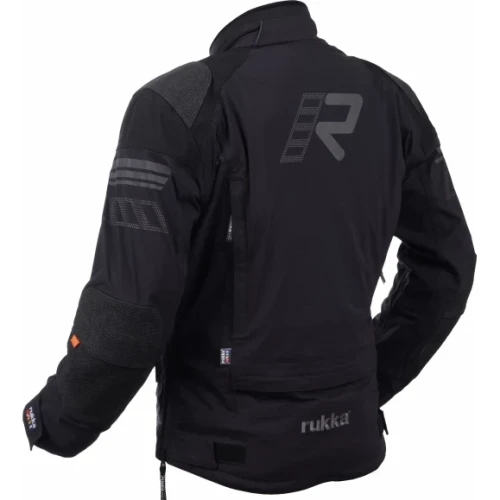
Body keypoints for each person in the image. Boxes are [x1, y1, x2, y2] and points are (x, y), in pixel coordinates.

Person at [23, 1, 476, 495]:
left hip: (224, 466)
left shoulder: (177, 104)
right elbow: (447, 267)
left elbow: (129, 316)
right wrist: (360, 386)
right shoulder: (389, 98)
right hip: (355, 447)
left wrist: (52, 422)